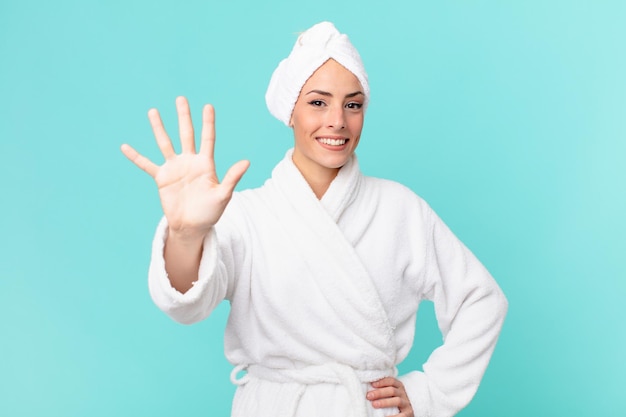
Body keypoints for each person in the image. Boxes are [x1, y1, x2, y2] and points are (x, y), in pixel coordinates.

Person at [121, 21, 508, 417]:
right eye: (318, 103)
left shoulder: (401, 209)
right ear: (290, 110)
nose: (338, 120)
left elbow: (481, 299)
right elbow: (187, 307)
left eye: (353, 104)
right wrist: (186, 235)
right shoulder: (246, 214)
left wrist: (430, 393)